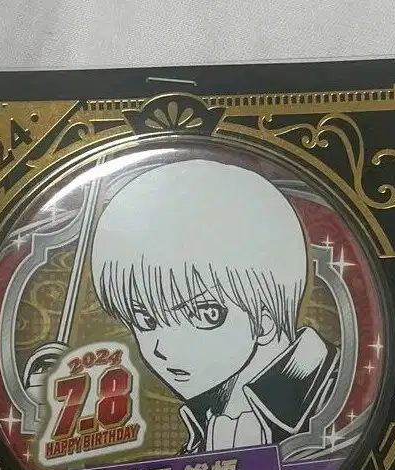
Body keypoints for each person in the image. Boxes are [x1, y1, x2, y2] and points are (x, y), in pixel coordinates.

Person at [90, 157, 338, 453]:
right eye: (146, 320)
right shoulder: (210, 415)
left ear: (265, 321)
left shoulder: (338, 400)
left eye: (205, 314)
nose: (162, 348)